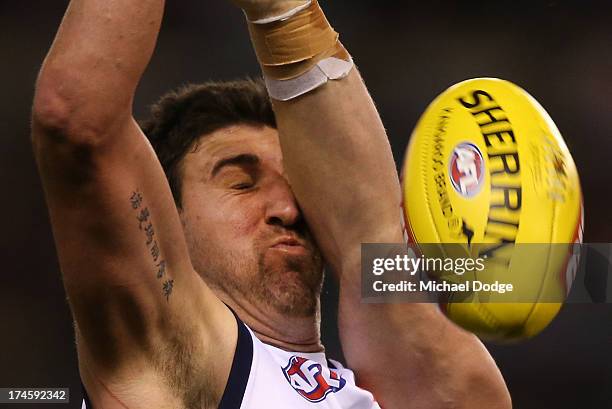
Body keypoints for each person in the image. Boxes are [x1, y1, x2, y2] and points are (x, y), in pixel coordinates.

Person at [31, 0, 511, 408]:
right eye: (242, 184)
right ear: (166, 220)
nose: (288, 207)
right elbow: (76, 123)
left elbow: (370, 231)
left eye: (299, 189)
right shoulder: (178, 361)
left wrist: (282, 10)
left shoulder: (420, 386)